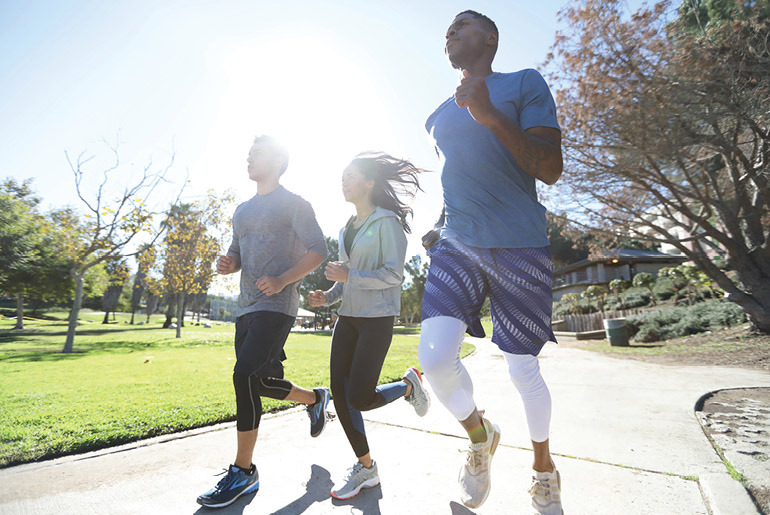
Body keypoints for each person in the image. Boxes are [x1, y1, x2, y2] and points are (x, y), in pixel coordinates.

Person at [418, 10, 564, 514]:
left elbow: (550, 168)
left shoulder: (524, 83)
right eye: (448, 29)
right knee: (435, 359)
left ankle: (543, 469)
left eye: (462, 25)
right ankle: (481, 437)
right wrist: (440, 222)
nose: (450, 32)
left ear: (490, 38)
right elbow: (460, 177)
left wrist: (493, 117)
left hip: (519, 244)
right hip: (457, 244)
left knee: (522, 366)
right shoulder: (436, 115)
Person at [197, 135, 331, 509]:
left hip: (278, 306)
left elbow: (319, 249)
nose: (249, 159)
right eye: (248, 154)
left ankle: (244, 472)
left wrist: (283, 280)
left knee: (243, 377)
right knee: (261, 382)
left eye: (257, 154)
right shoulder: (241, 210)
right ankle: (315, 398)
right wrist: (229, 264)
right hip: (246, 307)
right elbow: (237, 253)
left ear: (278, 160)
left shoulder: (294, 204)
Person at [308, 152, 430, 500]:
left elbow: (394, 276)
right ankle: (366, 467)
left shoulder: (387, 222)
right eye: (342, 177)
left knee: (360, 396)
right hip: (347, 320)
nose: (343, 181)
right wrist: (327, 297)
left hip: (376, 321)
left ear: (370, 182)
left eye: (350, 176)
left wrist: (350, 275)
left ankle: (409, 387)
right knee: (343, 398)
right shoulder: (348, 227)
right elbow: (346, 282)